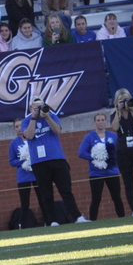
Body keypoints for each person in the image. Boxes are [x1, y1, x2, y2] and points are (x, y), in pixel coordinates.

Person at [21, 96, 89, 225]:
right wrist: (34, 117)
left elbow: (57, 130)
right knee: (46, 194)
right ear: (30, 108)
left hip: (57, 159)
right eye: (36, 107)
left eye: (41, 105)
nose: (39, 108)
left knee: (66, 190)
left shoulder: (52, 116)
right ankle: (51, 220)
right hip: (39, 162)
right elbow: (28, 135)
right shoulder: (26, 121)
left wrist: (46, 116)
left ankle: (77, 217)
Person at [78, 113, 125, 220]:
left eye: (102, 120)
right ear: (95, 123)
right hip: (96, 173)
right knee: (96, 198)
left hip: (112, 171)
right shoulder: (89, 137)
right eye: (98, 120)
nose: (100, 122)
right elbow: (81, 152)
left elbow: (119, 151)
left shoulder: (113, 135)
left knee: (116, 197)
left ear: (106, 122)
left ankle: (122, 218)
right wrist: (95, 157)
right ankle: (93, 221)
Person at [109, 88, 133, 216]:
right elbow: (114, 127)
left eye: (126, 100)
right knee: (128, 182)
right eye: (121, 101)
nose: (124, 103)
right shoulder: (114, 113)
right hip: (123, 152)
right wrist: (118, 111)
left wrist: (132, 110)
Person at [8, 117, 44, 226]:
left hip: (37, 174)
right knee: (25, 203)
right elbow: (12, 161)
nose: (19, 128)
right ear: (14, 129)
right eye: (16, 127)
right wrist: (24, 161)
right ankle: (25, 225)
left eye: (20, 125)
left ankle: (49, 221)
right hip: (23, 176)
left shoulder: (34, 138)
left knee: (43, 199)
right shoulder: (13, 143)